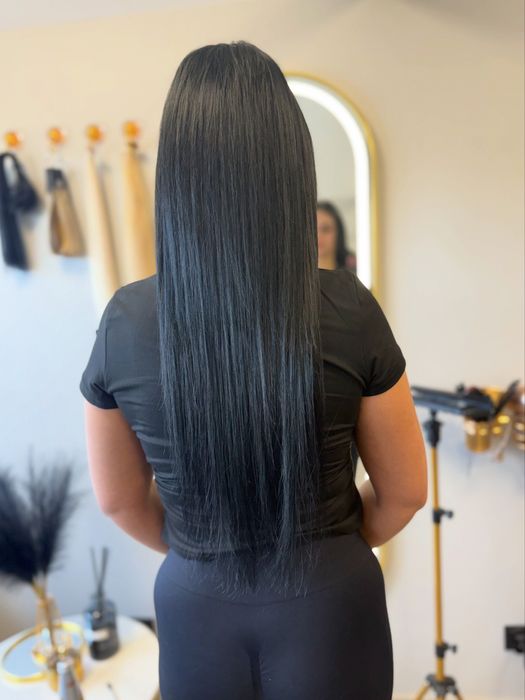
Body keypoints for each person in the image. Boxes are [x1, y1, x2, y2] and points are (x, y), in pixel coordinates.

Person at [79, 40, 428, 700]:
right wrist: (331, 547)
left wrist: (200, 549)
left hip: (194, 605)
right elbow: (405, 492)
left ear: (176, 174)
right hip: (331, 602)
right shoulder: (347, 307)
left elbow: (118, 499)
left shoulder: (125, 320)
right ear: (290, 165)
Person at [317, 200, 356, 271]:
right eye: (313, 230)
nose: (318, 235)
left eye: (325, 229)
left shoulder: (356, 272)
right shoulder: (297, 276)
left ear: (338, 233)